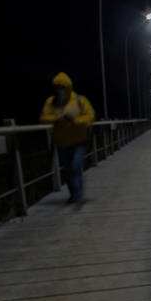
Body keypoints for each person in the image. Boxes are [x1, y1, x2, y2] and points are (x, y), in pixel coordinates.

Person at [39, 72, 95, 203]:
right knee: (68, 170)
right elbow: (43, 117)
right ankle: (74, 194)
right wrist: (56, 118)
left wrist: (74, 120)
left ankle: (77, 194)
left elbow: (90, 115)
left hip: (79, 140)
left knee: (76, 166)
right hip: (63, 142)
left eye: (63, 87)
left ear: (68, 87)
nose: (61, 91)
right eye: (58, 88)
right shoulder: (51, 102)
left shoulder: (79, 100)